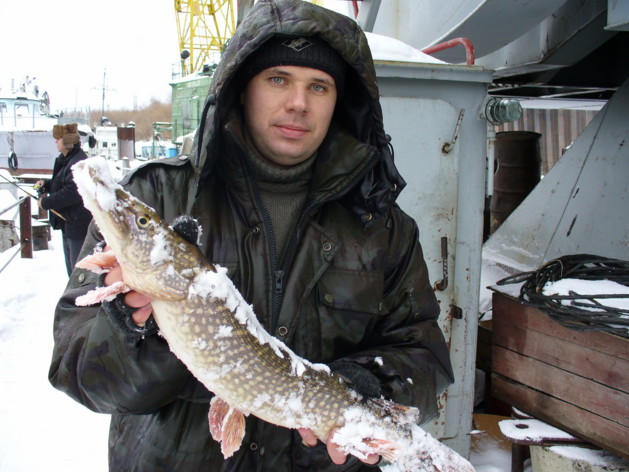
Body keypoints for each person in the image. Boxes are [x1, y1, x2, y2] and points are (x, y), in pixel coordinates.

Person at [49, 1, 454, 471]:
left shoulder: (382, 225)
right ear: (243, 89)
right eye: (278, 79)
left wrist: (366, 385)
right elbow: (78, 372)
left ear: (338, 101)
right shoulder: (157, 195)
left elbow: (424, 356)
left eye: (318, 86)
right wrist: (129, 332)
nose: (298, 103)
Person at [37, 122, 91, 275]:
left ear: (67, 142)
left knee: (78, 269)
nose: (55, 141)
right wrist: (47, 184)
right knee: (72, 268)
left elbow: (72, 192)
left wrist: (46, 202)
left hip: (78, 226)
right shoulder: (66, 159)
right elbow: (62, 183)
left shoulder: (78, 162)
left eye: (59, 139)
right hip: (70, 224)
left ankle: (80, 290)